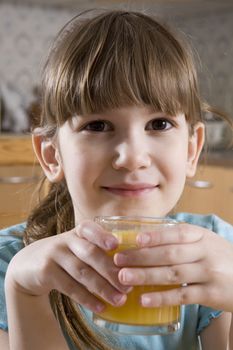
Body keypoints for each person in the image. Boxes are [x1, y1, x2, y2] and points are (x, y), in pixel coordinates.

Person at [0, 9, 233, 350]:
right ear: (52, 155)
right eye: (97, 126)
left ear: (191, 149)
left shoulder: (217, 252)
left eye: (159, 124)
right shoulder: (9, 268)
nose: (132, 157)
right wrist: (24, 294)